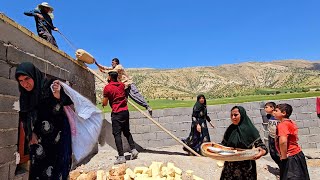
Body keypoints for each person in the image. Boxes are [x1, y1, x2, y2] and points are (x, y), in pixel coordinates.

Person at [15, 62, 72, 179]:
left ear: (33, 75)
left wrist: (57, 95)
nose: (24, 84)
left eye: (27, 79)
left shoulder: (49, 85)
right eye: (21, 81)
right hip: (39, 140)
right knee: (37, 172)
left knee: (57, 171)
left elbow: (68, 100)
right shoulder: (25, 96)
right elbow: (24, 117)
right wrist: (30, 135)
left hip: (57, 137)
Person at [220, 106, 268, 180]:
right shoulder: (230, 129)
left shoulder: (250, 130)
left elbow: (262, 146)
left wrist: (261, 152)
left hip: (245, 166)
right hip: (230, 165)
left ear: (242, 115)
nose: (233, 117)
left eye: (235, 115)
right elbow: (223, 145)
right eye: (231, 115)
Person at [103, 70, 139, 165]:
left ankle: (121, 157)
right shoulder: (121, 85)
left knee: (117, 134)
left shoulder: (107, 88)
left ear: (110, 77)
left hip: (116, 113)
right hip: (125, 112)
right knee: (127, 132)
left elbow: (105, 103)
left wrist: (103, 103)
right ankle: (134, 150)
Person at [274, 104, 310, 180]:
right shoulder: (290, 122)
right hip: (297, 155)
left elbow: (283, 141)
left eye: (276, 111)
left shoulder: (282, 125)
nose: (274, 112)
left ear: (283, 113)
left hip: (291, 157)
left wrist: (283, 157)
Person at [264, 102, 281, 168]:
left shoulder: (278, 116)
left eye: (266, 107)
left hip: (278, 138)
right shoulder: (269, 116)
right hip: (271, 137)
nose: (265, 109)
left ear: (272, 108)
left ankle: (283, 170)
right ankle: (281, 167)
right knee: (272, 154)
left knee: (278, 154)